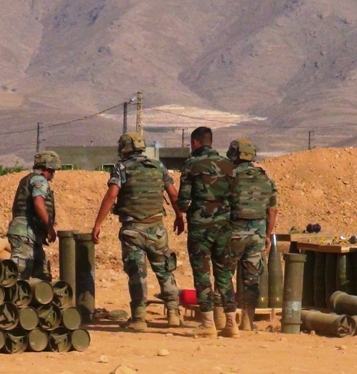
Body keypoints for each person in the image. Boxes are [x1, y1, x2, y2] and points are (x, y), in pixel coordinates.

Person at [91, 134, 185, 331]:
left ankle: (139, 318)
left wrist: (98, 223)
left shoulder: (122, 167)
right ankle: (174, 314)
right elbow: (173, 194)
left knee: (137, 274)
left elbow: (112, 194)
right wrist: (179, 216)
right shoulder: (158, 166)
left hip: (133, 231)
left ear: (124, 148)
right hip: (157, 229)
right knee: (165, 271)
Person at [177, 126, 236, 338]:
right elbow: (235, 199)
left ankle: (208, 324)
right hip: (224, 226)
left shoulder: (191, 165)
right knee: (224, 273)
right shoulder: (228, 165)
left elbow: (183, 202)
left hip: (200, 228)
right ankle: (231, 323)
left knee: (202, 273)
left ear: (195, 143)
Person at [226, 139, 278, 331]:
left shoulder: (229, 176)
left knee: (225, 275)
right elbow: (273, 209)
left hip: (233, 233)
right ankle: (247, 321)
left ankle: (228, 320)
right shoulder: (265, 178)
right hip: (257, 235)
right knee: (252, 279)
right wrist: (267, 234)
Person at [7, 151, 60, 281]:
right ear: (48, 168)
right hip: (25, 233)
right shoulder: (39, 179)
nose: (53, 175)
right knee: (19, 277)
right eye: (53, 171)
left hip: (32, 235)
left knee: (42, 275)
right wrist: (49, 227)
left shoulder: (27, 179)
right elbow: (38, 202)